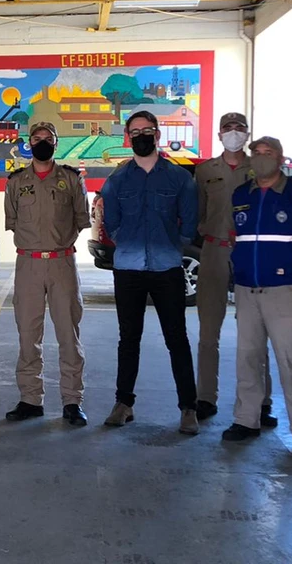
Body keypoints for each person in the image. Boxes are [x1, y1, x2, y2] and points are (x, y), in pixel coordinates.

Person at [220, 136, 292, 454]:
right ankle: (246, 419)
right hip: (247, 290)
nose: (261, 157)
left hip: (285, 291)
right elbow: (234, 236)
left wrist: (290, 264)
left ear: (280, 159)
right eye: (256, 153)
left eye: (268, 153)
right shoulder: (242, 194)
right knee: (248, 358)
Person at [99, 110, 200, 434]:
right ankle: (123, 403)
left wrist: (169, 245)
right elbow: (111, 224)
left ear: (157, 135)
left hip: (166, 267)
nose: (141, 136)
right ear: (128, 137)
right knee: (128, 339)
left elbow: (189, 223)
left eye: (147, 131)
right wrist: (128, 243)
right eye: (135, 131)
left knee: (177, 338)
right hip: (128, 269)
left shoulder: (178, 178)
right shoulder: (117, 181)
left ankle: (188, 408)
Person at [2, 122, 91, 427]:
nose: (42, 143)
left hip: (62, 263)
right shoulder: (16, 182)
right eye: (36, 138)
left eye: (48, 139)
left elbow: (81, 218)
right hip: (28, 264)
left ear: (56, 143)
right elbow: (13, 221)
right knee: (28, 335)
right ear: (29, 143)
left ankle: (72, 401)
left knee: (68, 334)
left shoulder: (71, 179)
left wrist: (57, 241)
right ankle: (30, 399)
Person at [193, 112, 276, 427]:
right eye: (227, 128)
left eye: (239, 128)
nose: (233, 132)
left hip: (251, 252)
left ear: (247, 134)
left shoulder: (260, 168)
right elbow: (198, 212)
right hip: (214, 250)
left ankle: (261, 401)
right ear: (219, 134)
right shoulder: (205, 171)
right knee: (208, 329)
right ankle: (206, 397)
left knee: (255, 331)